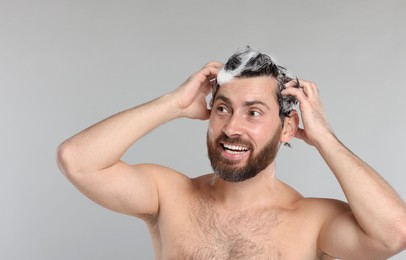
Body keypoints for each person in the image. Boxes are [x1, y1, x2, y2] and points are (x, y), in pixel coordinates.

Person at [57, 46, 406, 259]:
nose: (231, 127)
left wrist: (324, 138)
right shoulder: (169, 197)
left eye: (253, 112)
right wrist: (174, 104)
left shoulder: (312, 221)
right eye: (222, 108)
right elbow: (78, 160)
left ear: (287, 128)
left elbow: (394, 234)